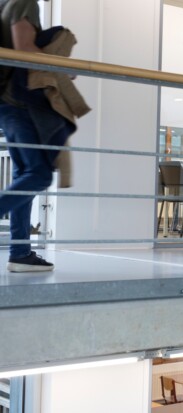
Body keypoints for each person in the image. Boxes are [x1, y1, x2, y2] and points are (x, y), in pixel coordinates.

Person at [0, 0, 85, 272]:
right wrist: (62, 68)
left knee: (24, 176)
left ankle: (20, 253)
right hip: (20, 102)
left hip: (7, 103)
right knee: (39, 174)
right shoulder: (23, 2)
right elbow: (24, 49)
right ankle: (20, 252)